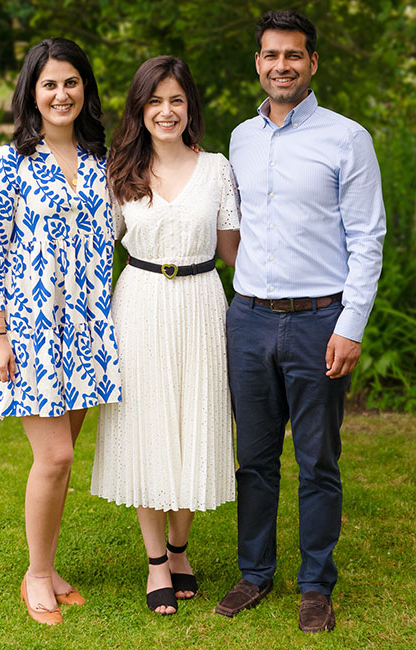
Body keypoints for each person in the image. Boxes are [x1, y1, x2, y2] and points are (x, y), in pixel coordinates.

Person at [214, 10, 386, 634]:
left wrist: (351, 324)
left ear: (313, 63)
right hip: (250, 319)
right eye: (269, 55)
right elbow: (234, 225)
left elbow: (368, 237)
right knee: (254, 458)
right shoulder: (239, 138)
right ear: (257, 62)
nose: (280, 66)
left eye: (293, 55)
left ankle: (316, 584)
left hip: (320, 321)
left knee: (317, 460)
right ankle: (254, 572)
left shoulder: (347, 138)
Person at [0, 37, 121, 626]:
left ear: (86, 89)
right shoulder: (6, 164)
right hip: (29, 328)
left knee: (63, 457)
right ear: (32, 92)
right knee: (54, 455)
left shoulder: (102, 163)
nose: (62, 94)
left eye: (72, 82)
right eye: (50, 84)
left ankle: (51, 566)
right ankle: (36, 575)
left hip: (86, 326)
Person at [90, 56, 241, 615]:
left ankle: (181, 549)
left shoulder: (217, 168)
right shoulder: (120, 171)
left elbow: (235, 254)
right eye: (155, 101)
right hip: (141, 304)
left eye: (176, 100)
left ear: (190, 107)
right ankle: (157, 561)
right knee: (149, 426)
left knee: (194, 422)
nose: (166, 111)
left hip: (203, 304)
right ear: (140, 109)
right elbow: (93, 249)